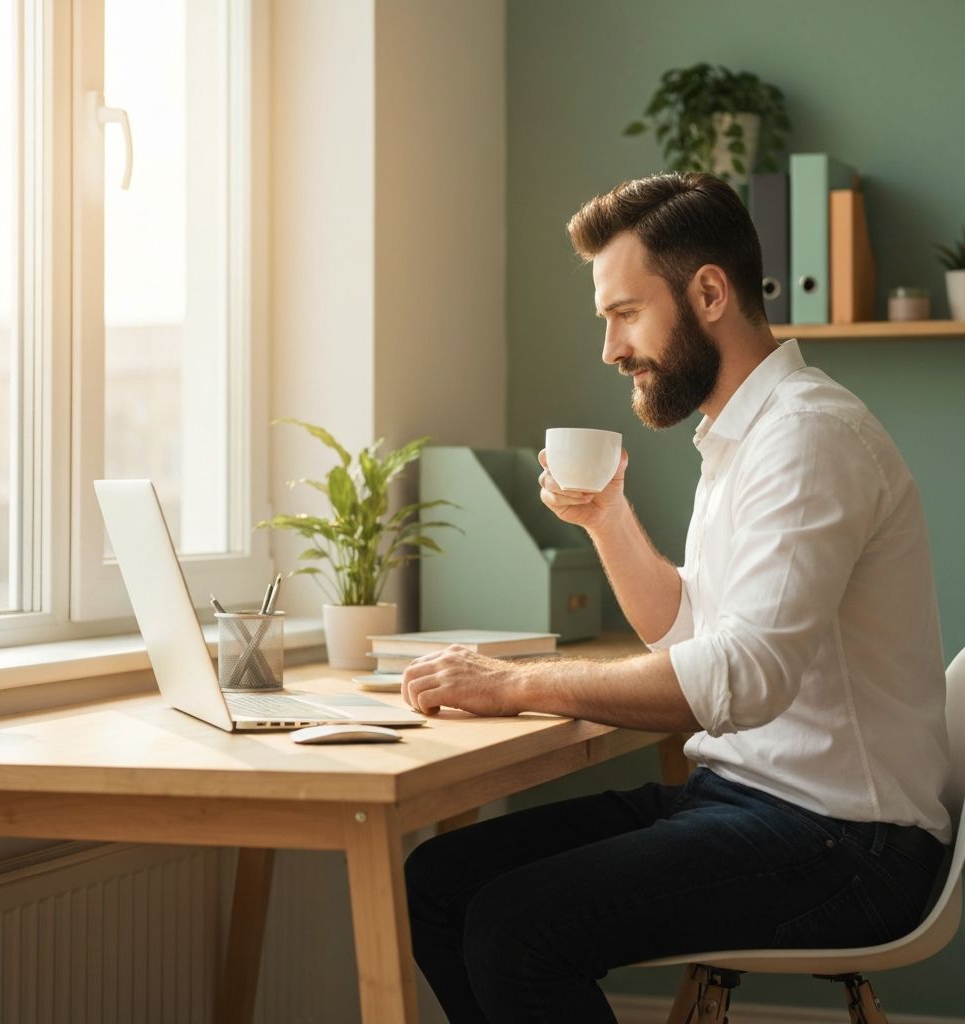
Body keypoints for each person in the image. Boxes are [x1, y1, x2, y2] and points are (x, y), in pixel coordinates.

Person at [401, 172, 952, 1023]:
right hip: (750, 802)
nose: (611, 349)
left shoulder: (809, 437)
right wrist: (606, 517)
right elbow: (692, 629)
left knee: (514, 930)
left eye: (624, 313)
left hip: (847, 840)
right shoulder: (741, 436)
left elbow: (740, 680)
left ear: (707, 293)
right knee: (439, 882)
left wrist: (514, 683)